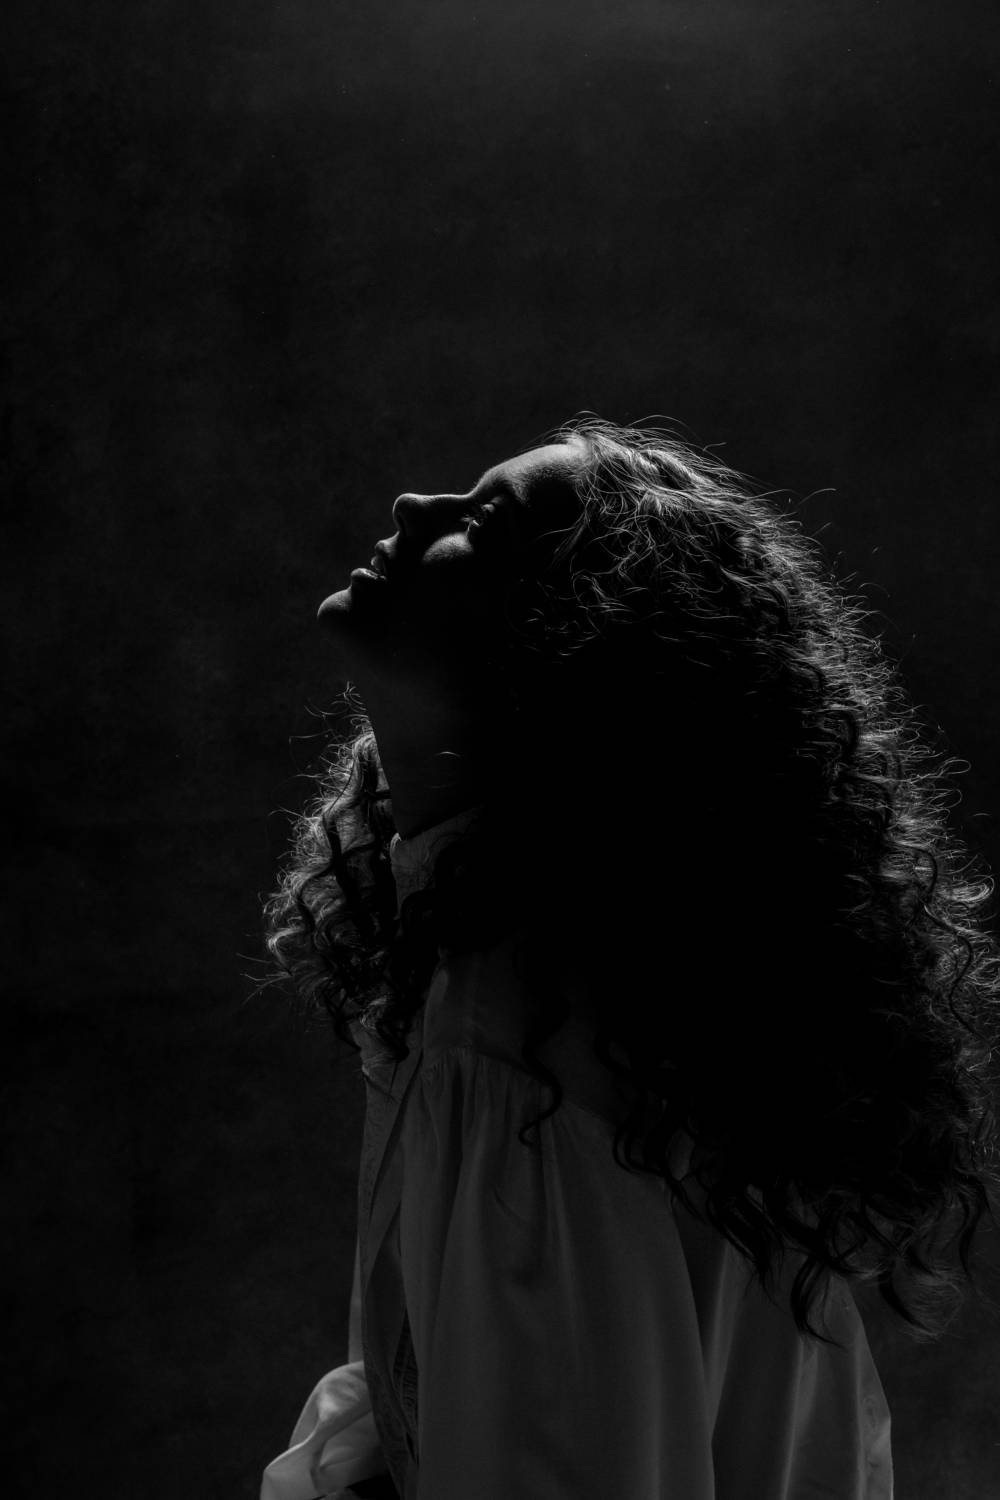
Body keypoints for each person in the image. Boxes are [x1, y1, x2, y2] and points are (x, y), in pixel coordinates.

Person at [256, 416, 1000, 1499]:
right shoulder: (570, 995)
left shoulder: (519, 1042)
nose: (416, 507)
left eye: (485, 522)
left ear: (566, 653)